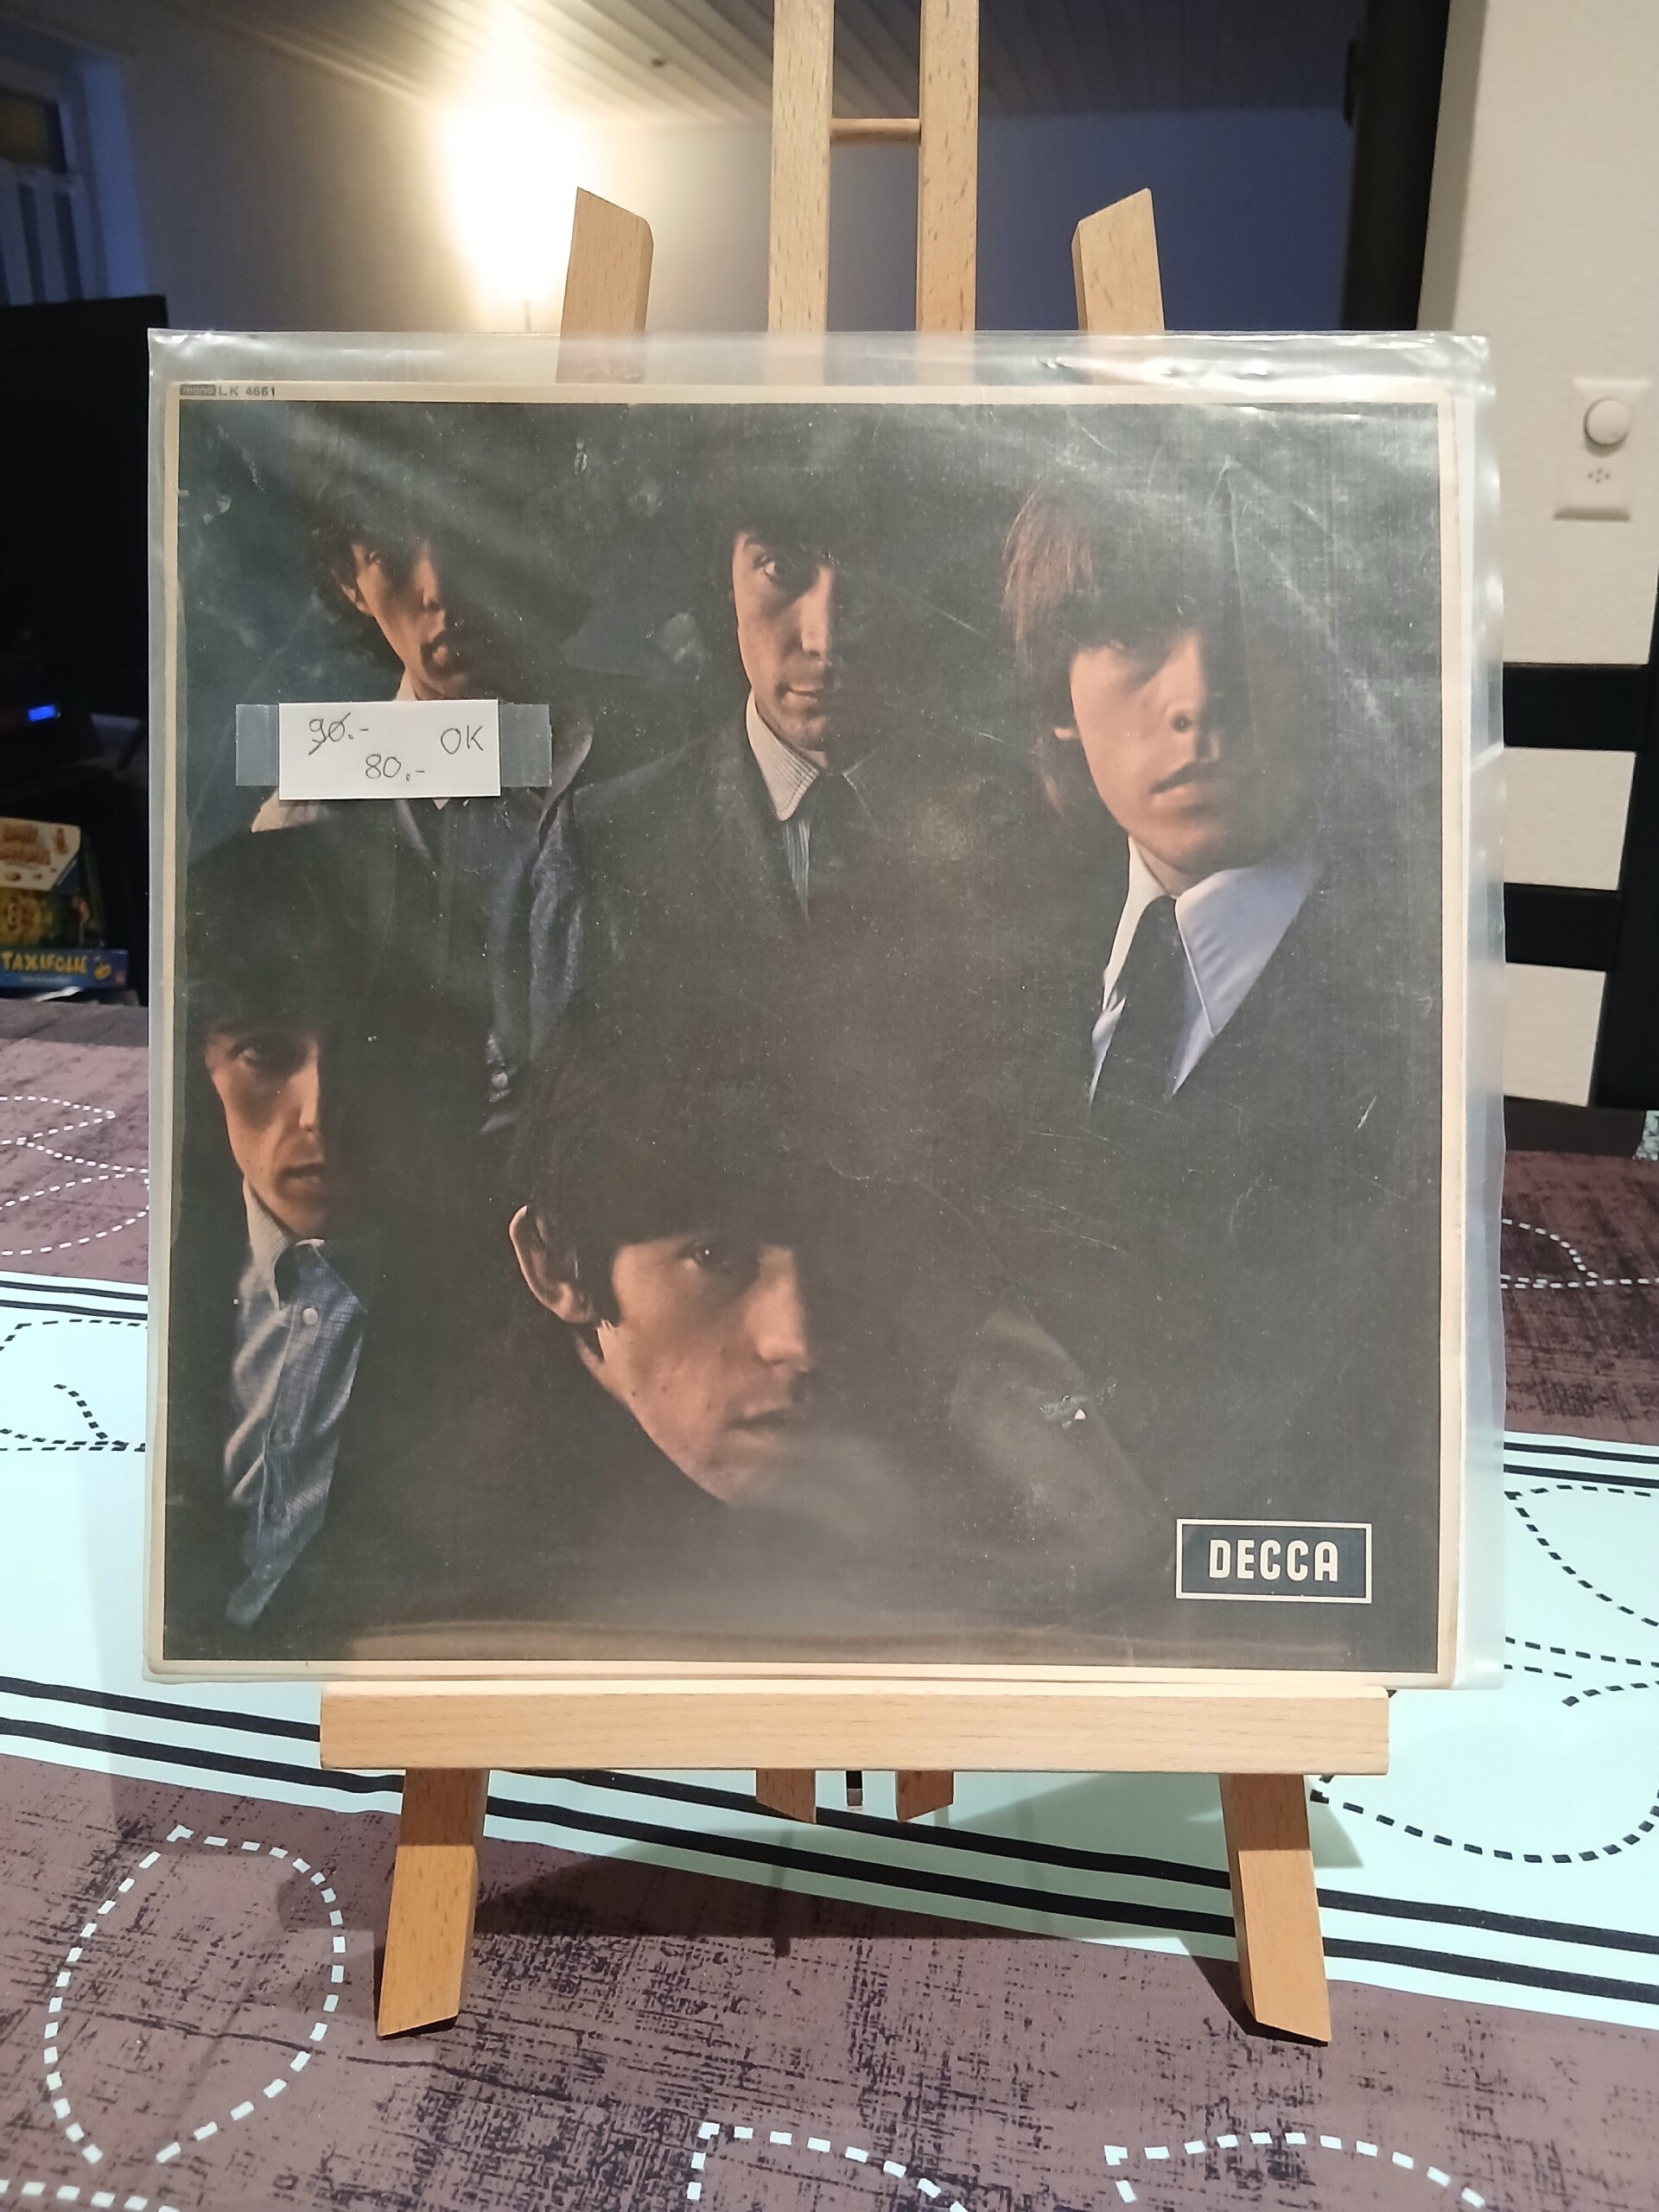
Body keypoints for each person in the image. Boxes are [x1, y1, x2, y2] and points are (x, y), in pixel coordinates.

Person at [289, 1005, 1164, 1662]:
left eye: (837, 1249)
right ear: (557, 1266)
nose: (798, 1341)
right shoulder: (437, 1560)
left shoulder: (959, 1404)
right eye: (715, 1256)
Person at [993, 466, 1440, 1662]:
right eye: (1134, 634)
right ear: (1057, 695)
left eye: (1251, 628)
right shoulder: (1002, 968)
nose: (1197, 696)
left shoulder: (1409, 1004)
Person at [526, 416, 1046, 1185]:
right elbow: (571, 1166)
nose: (825, 638)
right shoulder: (612, 842)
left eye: (870, 576)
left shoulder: (1018, 828)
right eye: (780, 568)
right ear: (722, 579)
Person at [162, 823, 504, 1656]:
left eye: (369, 1052)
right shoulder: (162, 1261)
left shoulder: (500, 1298)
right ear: (201, 1062)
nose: (320, 1113)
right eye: (265, 1053)